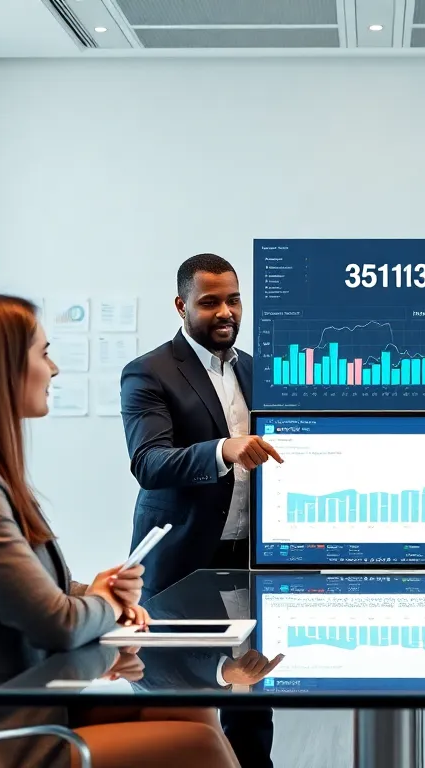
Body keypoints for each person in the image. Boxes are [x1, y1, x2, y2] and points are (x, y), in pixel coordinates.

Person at [0, 294, 238, 768]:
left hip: (16, 704)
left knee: (190, 703)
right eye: (43, 352)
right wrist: (106, 604)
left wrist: (93, 592)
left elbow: (36, 595)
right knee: (198, 747)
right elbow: (57, 623)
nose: (53, 369)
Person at [119, 253, 279, 768]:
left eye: (233, 300)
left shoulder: (258, 370)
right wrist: (222, 450)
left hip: (250, 559)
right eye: (209, 302)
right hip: (181, 561)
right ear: (181, 305)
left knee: (251, 698)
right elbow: (149, 462)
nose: (225, 311)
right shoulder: (148, 372)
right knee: (179, 703)